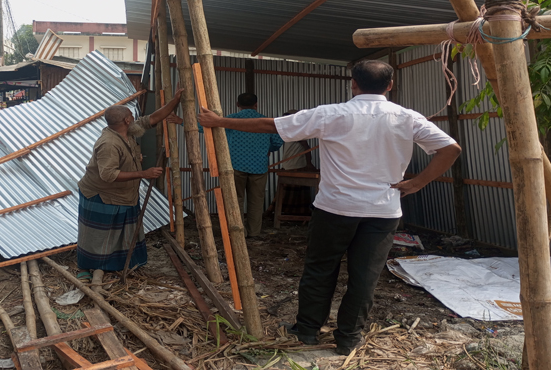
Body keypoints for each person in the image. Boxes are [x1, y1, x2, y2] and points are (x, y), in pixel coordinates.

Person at [198, 61, 462, 356]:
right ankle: (348, 338)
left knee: (320, 269)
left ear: (353, 83)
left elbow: (270, 125)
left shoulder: (331, 114)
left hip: (335, 208)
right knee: (364, 277)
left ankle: (307, 331)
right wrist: (418, 183)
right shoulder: (407, 118)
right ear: (389, 86)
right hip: (382, 212)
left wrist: (219, 122)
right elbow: (450, 149)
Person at [76, 88, 184, 273]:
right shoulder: (109, 144)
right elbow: (108, 175)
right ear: (126, 120)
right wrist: (144, 174)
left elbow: (153, 118)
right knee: (99, 237)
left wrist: (175, 101)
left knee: (124, 233)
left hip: (124, 194)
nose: (134, 118)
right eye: (131, 115)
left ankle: (121, 264)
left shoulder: (128, 131)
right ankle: (95, 266)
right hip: (103, 195)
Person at [202, 93, 283, 239]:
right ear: (256, 104)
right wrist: (266, 148)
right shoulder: (265, 121)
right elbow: (277, 142)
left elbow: (205, 127)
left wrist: (180, 121)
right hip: (259, 167)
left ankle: (238, 233)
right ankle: (254, 233)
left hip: (235, 166)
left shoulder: (229, 120)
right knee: (256, 201)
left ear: (237, 104)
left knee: (235, 199)